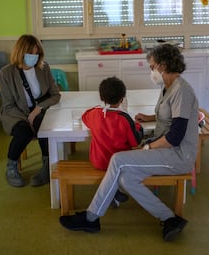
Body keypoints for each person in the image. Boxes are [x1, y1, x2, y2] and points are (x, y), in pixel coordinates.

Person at [59, 44, 198, 242]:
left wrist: (148, 146)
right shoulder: (167, 87)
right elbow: (170, 117)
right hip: (165, 150)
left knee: (117, 160)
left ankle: (91, 218)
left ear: (164, 65)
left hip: (177, 155)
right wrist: (149, 116)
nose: (151, 71)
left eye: (152, 67)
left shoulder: (182, 91)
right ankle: (169, 218)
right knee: (125, 179)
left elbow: (175, 136)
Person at [0, 34, 61, 188]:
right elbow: (8, 104)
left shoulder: (43, 67)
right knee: (23, 132)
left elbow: (55, 95)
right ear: (20, 53)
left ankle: (47, 166)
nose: (34, 57)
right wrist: (27, 118)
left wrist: (38, 109)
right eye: (30, 53)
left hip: (39, 110)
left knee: (44, 126)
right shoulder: (6, 73)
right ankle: (11, 167)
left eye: (37, 53)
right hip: (15, 112)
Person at [82, 76, 144, 207]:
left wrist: (95, 109)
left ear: (101, 98)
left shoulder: (95, 114)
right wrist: (137, 125)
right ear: (122, 99)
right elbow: (135, 142)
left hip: (99, 162)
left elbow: (84, 116)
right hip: (120, 165)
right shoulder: (125, 119)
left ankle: (112, 191)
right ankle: (114, 190)